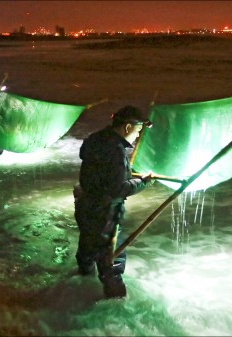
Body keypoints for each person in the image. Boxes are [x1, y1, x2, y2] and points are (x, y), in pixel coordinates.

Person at [74, 105, 154, 299]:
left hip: (85, 205)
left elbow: (101, 172)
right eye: (137, 130)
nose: (137, 136)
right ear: (127, 127)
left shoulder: (96, 138)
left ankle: (77, 286)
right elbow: (117, 188)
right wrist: (143, 182)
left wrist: (126, 171)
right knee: (111, 257)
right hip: (105, 212)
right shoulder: (116, 151)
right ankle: (115, 306)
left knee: (87, 245)